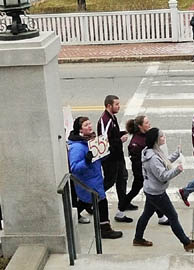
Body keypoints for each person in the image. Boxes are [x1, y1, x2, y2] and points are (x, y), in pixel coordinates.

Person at [133, 127, 194, 251]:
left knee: (146, 214)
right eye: (161, 136)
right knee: (173, 216)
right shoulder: (153, 158)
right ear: (155, 140)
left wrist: (176, 154)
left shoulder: (151, 151)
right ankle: (186, 243)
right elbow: (162, 176)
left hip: (151, 190)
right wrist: (177, 170)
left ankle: (138, 238)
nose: (163, 138)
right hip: (156, 193)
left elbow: (164, 162)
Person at [67, 116, 122, 239]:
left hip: (94, 179)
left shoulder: (90, 141)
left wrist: (104, 152)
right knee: (102, 202)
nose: (90, 126)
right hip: (88, 181)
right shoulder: (77, 147)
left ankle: (69, 219)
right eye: (86, 125)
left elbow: (96, 159)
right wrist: (87, 160)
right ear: (80, 130)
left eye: (89, 123)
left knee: (85, 202)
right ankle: (105, 230)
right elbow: (74, 168)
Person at [125, 115, 168, 226]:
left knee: (151, 195)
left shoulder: (145, 136)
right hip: (142, 172)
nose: (149, 124)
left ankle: (161, 216)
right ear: (140, 126)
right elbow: (137, 160)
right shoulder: (136, 142)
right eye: (146, 123)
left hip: (146, 172)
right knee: (139, 190)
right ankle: (121, 209)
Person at [97, 95, 133, 223]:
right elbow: (104, 142)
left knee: (122, 178)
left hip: (117, 155)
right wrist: (120, 140)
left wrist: (122, 133)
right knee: (109, 182)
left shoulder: (112, 118)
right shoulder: (105, 121)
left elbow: (113, 135)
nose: (119, 106)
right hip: (110, 158)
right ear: (108, 106)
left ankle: (123, 203)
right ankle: (91, 200)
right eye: (116, 104)